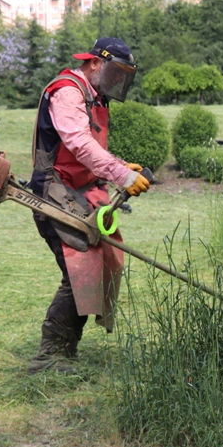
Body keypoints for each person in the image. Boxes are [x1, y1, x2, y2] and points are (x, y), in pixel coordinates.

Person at [26, 37, 150, 373]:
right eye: (114, 71)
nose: (116, 80)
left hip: (79, 190)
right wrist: (121, 175)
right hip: (55, 191)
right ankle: (48, 357)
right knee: (80, 272)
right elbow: (79, 145)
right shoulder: (68, 91)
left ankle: (65, 352)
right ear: (95, 63)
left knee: (99, 265)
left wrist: (122, 165)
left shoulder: (93, 97)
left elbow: (89, 147)